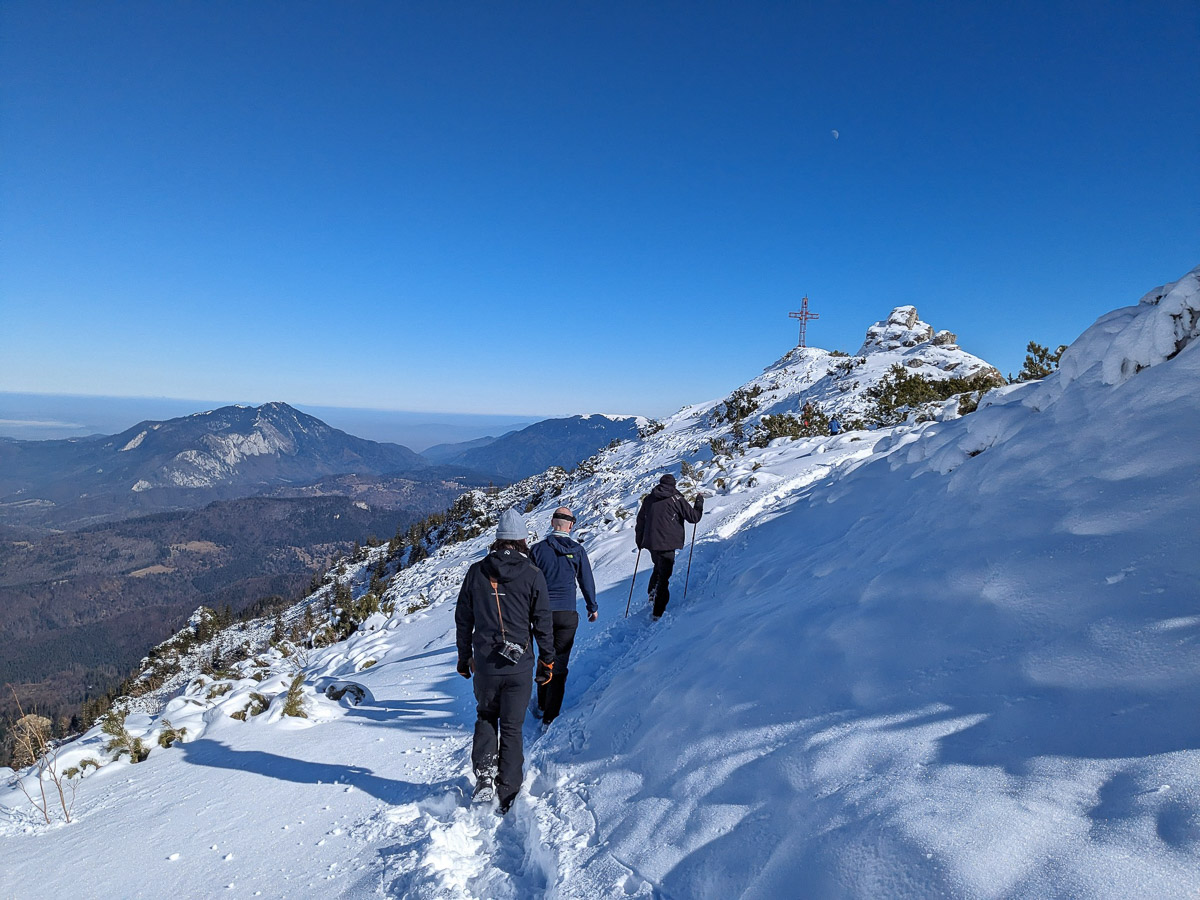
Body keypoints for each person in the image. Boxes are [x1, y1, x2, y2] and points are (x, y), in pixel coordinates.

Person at [454, 508, 555, 814]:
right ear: (523, 539)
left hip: (486, 663)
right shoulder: (533, 574)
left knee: (486, 716)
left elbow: (463, 619)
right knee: (512, 726)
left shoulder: (477, 572)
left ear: (497, 539)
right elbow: (543, 622)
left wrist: (464, 657)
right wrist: (547, 661)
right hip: (519, 663)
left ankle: (485, 776)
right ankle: (508, 790)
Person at [530, 507, 598, 726]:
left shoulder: (537, 550)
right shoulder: (577, 551)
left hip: (542, 614)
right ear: (571, 525)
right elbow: (586, 580)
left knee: (545, 656)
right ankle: (550, 715)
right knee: (560, 664)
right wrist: (592, 606)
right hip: (567, 614)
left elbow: (527, 583)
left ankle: (541, 704)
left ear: (552, 523)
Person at [635, 474, 703, 620]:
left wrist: (639, 540)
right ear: (673, 485)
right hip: (668, 543)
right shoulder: (676, 499)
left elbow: (640, 521)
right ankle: (657, 612)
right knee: (664, 576)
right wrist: (699, 502)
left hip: (652, 542)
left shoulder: (649, 499)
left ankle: (652, 592)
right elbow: (694, 518)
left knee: (658, 565)